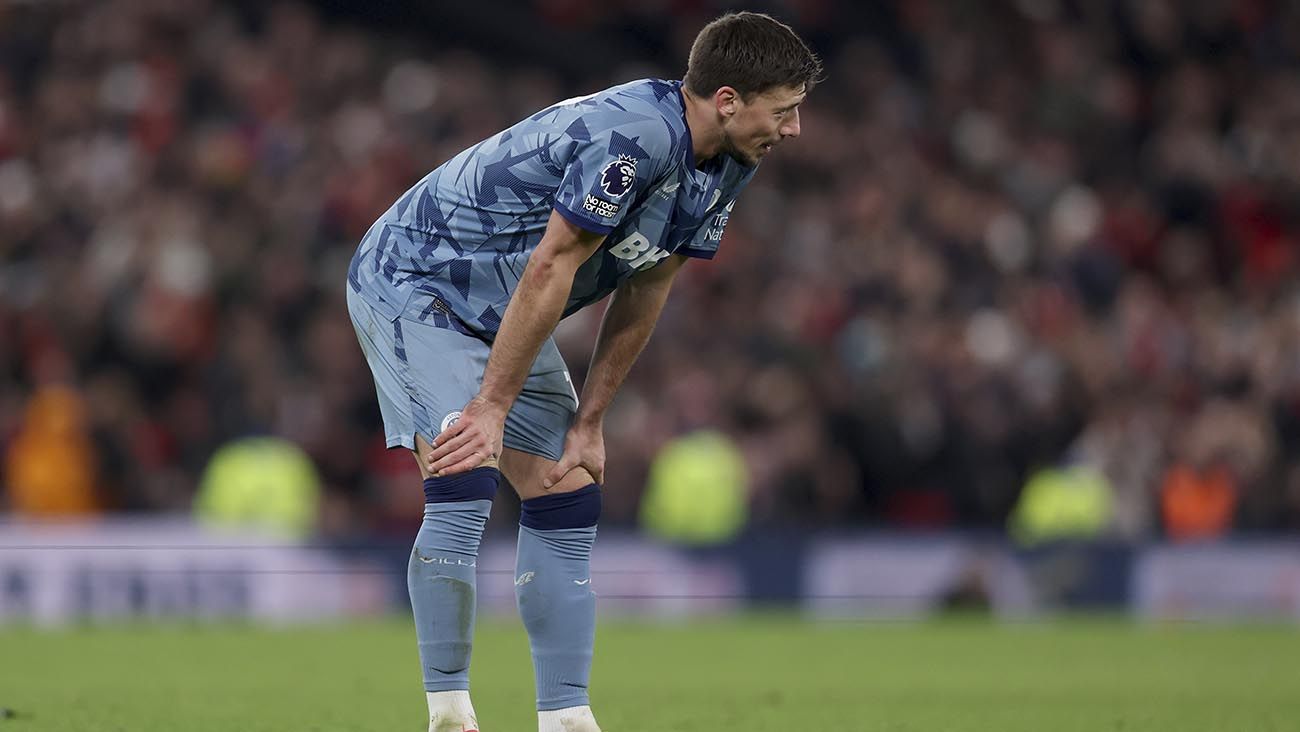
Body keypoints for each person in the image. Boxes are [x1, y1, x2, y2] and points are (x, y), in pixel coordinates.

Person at [346, 11, 819, 732]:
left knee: (569, 484)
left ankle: (566, 717)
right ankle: (449, 713)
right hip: (419, 282)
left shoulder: (728, 163)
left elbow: (649, 282)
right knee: (464, 463)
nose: (792, 130)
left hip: (502, 306)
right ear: (728, 100)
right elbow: (554, 263)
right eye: (783, 111)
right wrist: (493, 407)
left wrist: (591, 422)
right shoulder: (633, 137)